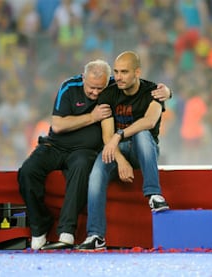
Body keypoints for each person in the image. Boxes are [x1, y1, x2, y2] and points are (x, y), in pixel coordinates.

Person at [18, 59, 171, 250]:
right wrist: (93, 117)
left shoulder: (116, 85)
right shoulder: (71, 87)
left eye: (101, 88)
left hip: (88, 151)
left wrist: (168, 92)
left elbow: (139, 87)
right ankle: (43, 226)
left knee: (83, 167)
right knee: (27, 171)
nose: (96, 93)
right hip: (57, 145)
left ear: (109, 80)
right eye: (91, 87)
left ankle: (67, 232)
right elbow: (58, 125)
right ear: (83, 79)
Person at [75, 51, 170, 251]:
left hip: (143, 150)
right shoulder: (109, 93)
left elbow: (149, 121)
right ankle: (95, 235)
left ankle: (154, 194)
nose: (118, 77)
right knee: (96, 174)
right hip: (116, 150)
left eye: (124, 72)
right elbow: (107, 136)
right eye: (116, 71)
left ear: (137, 72)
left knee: (143, 133)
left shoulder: (152, 91)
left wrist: (119, 135)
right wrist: (119, 159)